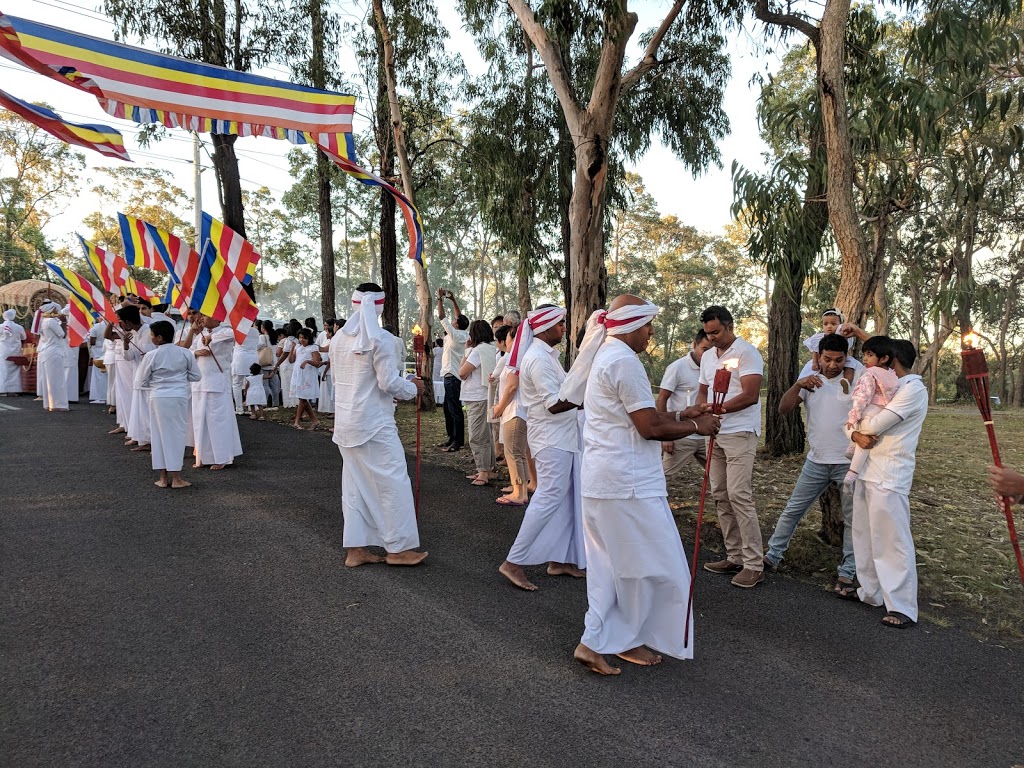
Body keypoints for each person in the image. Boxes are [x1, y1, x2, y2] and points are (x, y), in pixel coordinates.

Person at [560, 296, 721, 675]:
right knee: (659, 566)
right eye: (648, 325)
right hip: (627, 485)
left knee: (611, 568)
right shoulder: (623, 361)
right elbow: (648, 429)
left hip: (604, 481)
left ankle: (601, 640)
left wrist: (681, 413)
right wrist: (698, 427)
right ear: (631, 326)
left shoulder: (607, 354)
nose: (652, 332)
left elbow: (633, 416)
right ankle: (613, 638)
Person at [330, 283, 427, 567]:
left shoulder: (338, 339)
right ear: (380, 307)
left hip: (346, 424)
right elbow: (388, 383)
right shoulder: (381, 339)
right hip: (374, 424)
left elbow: (339, 382)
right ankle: (398, 549)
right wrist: (414, 388)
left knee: (354, 487)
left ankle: (356, 549)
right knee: (393, 482)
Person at [763, 333, 860, 597]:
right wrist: (799, 386)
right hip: (816, 460)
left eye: (838, 360)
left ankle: (847, 571)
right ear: (820, 355)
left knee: (853, 519)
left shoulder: (857, 373)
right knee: (793, 509)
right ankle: (772, 556)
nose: (832, 365)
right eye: (827, 359)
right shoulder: (810, 372)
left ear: (846, 358)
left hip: (849, 462)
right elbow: (783, 408)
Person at [498, 305, 586, 591]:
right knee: (548, 498)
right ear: (545, 327)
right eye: (560, 324)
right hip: (551, 440)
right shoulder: (537, 358)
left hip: (563, 438)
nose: (563, 329)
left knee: (565, 499)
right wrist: (588, 399)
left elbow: (563, 396)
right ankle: (513, 562)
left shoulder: (547, 356)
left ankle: (559, 559)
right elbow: (553, 404)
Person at [844, 334, 928, 628]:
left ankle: (902, 606)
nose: (868, 363)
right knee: (864, 535)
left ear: (888, 361)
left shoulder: (912, 389)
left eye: (873, 357)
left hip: (890, 471)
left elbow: (876, 423)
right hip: (866, 467)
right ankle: (869, 591)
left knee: (891, 540)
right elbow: (854, 423)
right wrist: (854, 431)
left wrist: (855, 425)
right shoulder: (878, 384)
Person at [697, 305, 765, 589]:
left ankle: (754, 563)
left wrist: (717, 408)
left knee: (739, 494)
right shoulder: (708, 356)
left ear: (729, 325)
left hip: (740, 431)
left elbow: (750, 395)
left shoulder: (746, 352)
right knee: (720, 494)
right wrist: (703, 411)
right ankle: (734, 555)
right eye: (708, 333)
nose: (712, 338)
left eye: (716, 332)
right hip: (714, 431)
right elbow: (703, 388)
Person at [139, 319, 201, 489]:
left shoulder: (151, 355)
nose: (151, 338)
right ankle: (177, 478)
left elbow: (142, 382)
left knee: (158, 436)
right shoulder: (185, 353)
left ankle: (162, 477)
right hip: (179, 396)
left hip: (157, 397)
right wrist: (179, 380)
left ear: (159, 338)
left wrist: (159, 383)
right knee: (176, 435)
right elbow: (196, 376)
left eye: (151, 335)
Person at [183, 315, 242, 470]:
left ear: (217, 319)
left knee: (217, 421)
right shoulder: (199, 335)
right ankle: (202, 456)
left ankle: (221, 457)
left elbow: (237, 333)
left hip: (217, 384)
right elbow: (187, 351)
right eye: (201, 316)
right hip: (199, 384)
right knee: (199, 421)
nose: (201, 318)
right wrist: (196, 352)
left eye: (206, 316)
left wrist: (212, 337)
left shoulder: (225, 332)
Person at [842, 336, 900, 492]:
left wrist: (854, 415)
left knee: (864, 440)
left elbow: (863, 396)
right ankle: (851, 448)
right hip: (884, 411)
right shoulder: (893, 375)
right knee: (866, 436)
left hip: (871, 408)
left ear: (884, 358)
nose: (865, 359)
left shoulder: (870, 374)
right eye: (864, 355)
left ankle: (851, 474)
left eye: (869, 355)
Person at [657, 329, 714, 477]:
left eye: (712, 350)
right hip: (681, 435)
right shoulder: (677, 367)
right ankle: (651, 499)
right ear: (694, 345)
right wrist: (665, 436)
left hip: (706, 435)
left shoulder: (715, 368)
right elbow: (662, 398)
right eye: (705, 349)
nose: (708, 355)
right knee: (664, 477)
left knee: (718, 475)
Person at [492, 325, 531, 505]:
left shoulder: (515, 360)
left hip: (514, 411)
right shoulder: (519, 359)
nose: (505, 340)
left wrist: (499, 408)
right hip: (517, 411)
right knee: (518, 454)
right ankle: (521, 490)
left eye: (508, 337)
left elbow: (512, 387)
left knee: (513, 454)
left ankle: (518, 492)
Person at [459, 319, 497, 485]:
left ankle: (482, 472)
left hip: (476, 396)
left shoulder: (476, 351)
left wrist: (466, 351)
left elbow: (462, 372)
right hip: (486, 394)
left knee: (476, 435)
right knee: (486, 434)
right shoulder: (492, 348)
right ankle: (488, 469)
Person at [436, 288, 469, 451]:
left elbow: (441, 317)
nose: (454, 320)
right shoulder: (465, 335)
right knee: (448, 408)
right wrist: (454, 300)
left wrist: (439, 298)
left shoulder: (455, 335)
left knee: (454, 409)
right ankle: (452, 438)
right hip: (453, 376)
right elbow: (460, 318)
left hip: (452, 376)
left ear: (456, 325)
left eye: (455, 320)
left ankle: (457, 441)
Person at [805, 308, 856, 384]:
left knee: (850, 365)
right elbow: (815, 352)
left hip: (842, 359)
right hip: (822, 360)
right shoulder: (819, 338)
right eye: (825, 324)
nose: (829, 327)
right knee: (812, 371)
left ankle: (847, 382)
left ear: (840, 325)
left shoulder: (843, 336)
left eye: (833, 324)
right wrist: (815, 362)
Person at [35, 301, 68, 412]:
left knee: (50, 379)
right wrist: (64, 323)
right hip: (54, 352)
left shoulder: (44, 321)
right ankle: (58, 405)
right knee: (56, 379)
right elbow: (62, 334)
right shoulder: (51, 322)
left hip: (48, 351)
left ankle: (50, 403)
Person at [289, 327, 322, 430]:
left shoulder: (313, 348)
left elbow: (317, 363)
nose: (301, 340)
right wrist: (292, 348)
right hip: (298, 374)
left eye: (304, 338)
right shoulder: (298, 347)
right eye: (300, 337)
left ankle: (297, 421)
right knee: (301, 397)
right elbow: (291, 360)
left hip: (307, 375)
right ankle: (314, 421)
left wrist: (307, 361)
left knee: (303, 398)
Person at [231, 324, 260, 415]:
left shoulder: (237, 330)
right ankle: (253, 407)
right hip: (253, 358)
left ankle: (239, 408)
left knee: (237, 384)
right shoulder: (255, 331)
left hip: (240, 358)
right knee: (252, 383)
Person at [0, 308, 26, 395]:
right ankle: (15, 390)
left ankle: (3, 390)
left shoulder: (1, 327)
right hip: (15, 351)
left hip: (3, 351)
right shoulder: (19, 327)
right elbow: (24, 338)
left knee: (3, 370)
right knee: (15, 370)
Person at [87, 318, 107, 404]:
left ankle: (101, 396)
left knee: (99, 376)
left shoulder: (96, 327)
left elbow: (92, 341)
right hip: (107, 350)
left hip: (98, 351)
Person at [317, 320, 335, 415]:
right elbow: (322, 349)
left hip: (330, 371)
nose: (326, 333)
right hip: (328, 370)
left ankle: (334, 411)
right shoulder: (330, 342)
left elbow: (330, 360)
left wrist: (324, 372)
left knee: (332, 391)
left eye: (328, 331)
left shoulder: (333, 343)